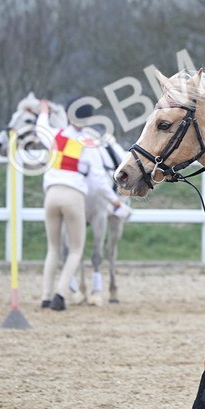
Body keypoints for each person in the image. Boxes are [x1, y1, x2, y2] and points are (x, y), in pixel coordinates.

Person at [35, 98, 126, 311]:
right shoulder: (88, 143)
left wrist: (43, 111)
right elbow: (98, 179)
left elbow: (40, 128)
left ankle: (45, 296)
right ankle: (60, 293)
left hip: (50, 196)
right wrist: (113, 199)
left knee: (53, 249)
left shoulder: (54, 136)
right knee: (76, 250)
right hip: (73, 196)